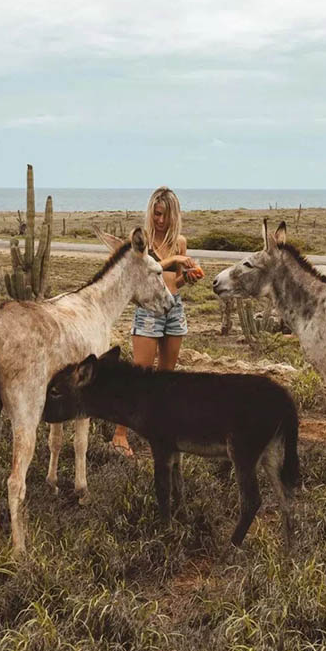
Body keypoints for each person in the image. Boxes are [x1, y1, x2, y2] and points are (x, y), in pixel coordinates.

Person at [110, 186, 203, 457]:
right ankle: (119, 435)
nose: (159, 220)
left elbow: (174, 282)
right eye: (156, 214)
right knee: (139, 375)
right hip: (149, 311)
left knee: (165, 379)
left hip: (174, 309)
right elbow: (148, 269)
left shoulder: (180, 243)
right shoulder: (142, 242)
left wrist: (188, 278)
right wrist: (174, 259)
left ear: (174, 216)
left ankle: (160, 433)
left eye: (164, 215)